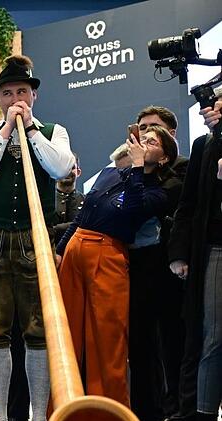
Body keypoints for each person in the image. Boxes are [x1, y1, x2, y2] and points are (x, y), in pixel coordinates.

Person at [0, 55, 76, 421]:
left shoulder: (54, 132)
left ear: (34, 96)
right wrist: (6, 131)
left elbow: (61, 168)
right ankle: (0, 419)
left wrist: (28, 128)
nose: (16, 99)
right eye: (8, 93)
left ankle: (39, 420)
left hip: (35, 238)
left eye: (22, 92)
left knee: (38, 329)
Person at [56, 126, 174, 405]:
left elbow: (133, 209)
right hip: (76, 248)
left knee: (107, 338)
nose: (144, 143)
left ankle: (109, 411)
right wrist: (60, 250)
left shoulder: (158, 193)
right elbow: (83, 213)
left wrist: (137, 167)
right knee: (67, 333)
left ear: (164, 158)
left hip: (108, 253)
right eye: (143, 138)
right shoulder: (111, 174)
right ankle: (64, 410)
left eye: (153, 142)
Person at [120, 107, 188, 421]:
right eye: (141, 129)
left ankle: (176, 414)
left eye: (153, 131)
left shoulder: (181, 168)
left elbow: (148, 205)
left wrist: (139, 169)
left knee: (172, 342)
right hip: (135, 267)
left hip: (169, 268)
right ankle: (145, 419)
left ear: (170, 137)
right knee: (140, 345)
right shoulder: (127, 173)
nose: (145, 135)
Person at [165, 100, 222, 421]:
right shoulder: (205, 145)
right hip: (214, 248)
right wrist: (178, 253)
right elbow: (187, 206)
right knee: (212, 339)